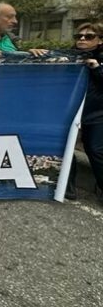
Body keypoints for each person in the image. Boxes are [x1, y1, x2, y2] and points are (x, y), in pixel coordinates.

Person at [68, 23, 103, 203]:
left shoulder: (100, 60)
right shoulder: (69, 57)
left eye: (89, 36)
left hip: (96, 115)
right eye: (79, 36)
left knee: (96, 150)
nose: (82, 39)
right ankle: (68, 186)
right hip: (69, 113)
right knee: (65, 149)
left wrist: (96, 68)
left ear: (99, 40)